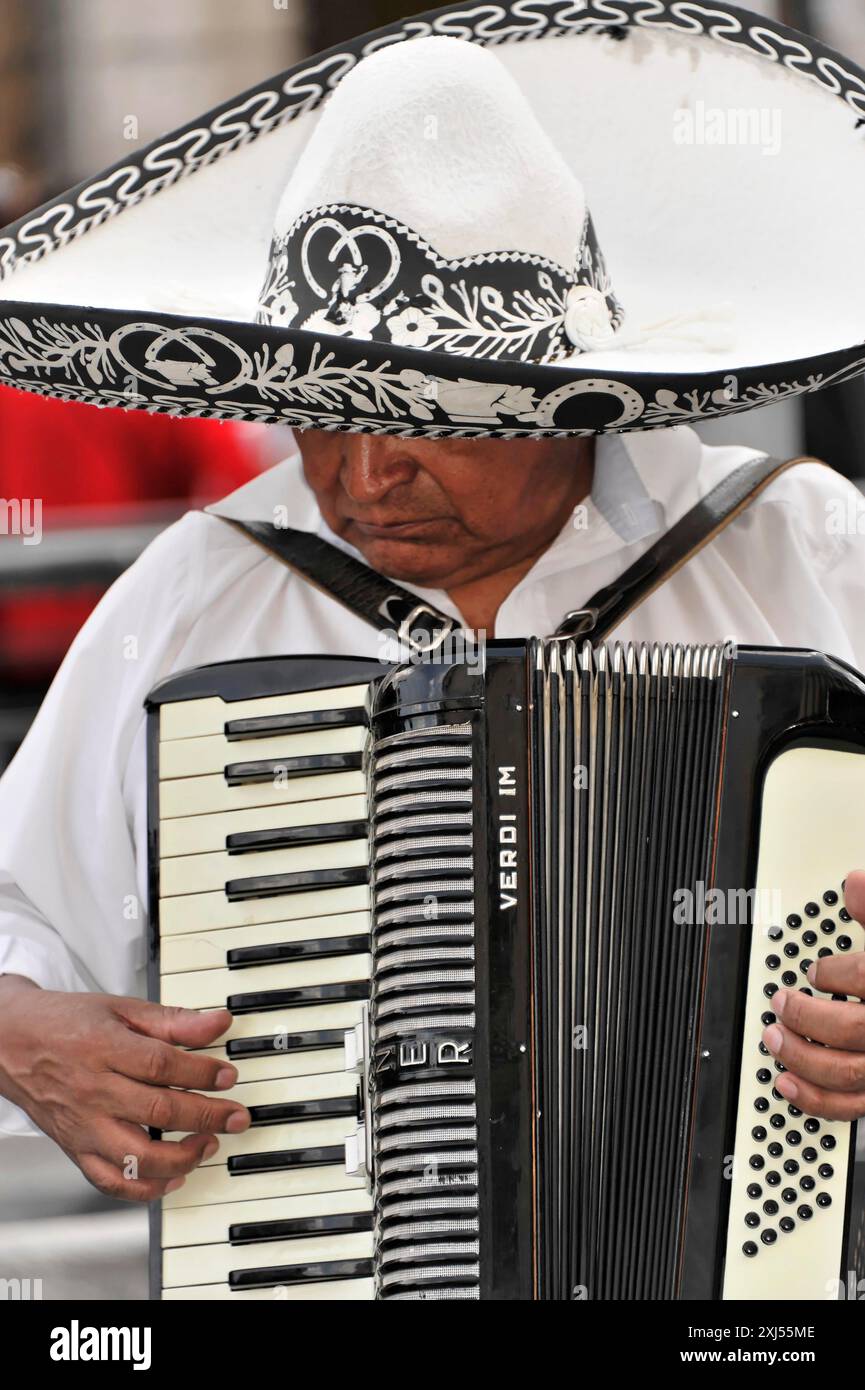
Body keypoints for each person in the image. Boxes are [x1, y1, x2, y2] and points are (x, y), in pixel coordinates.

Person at [1, 16, 865, 1207]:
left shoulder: (808, 549)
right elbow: (18, 917)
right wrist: (24, 1037)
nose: (361, 476)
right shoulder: (198, 595)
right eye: (317, 409)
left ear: (562, 400)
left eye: (424, 417)